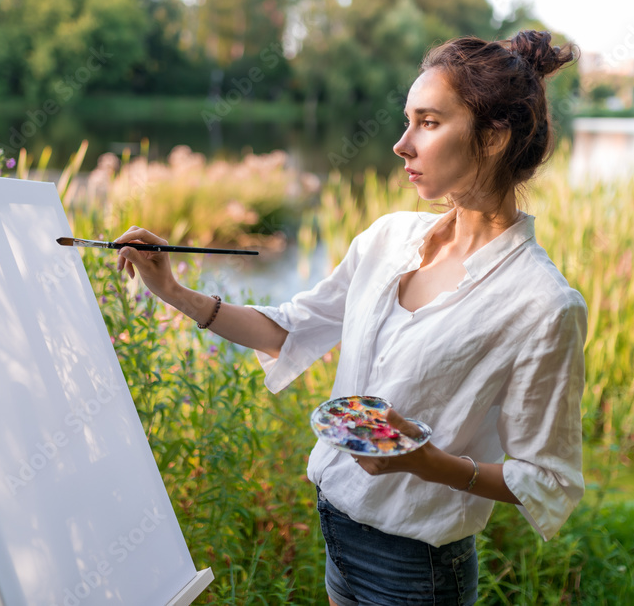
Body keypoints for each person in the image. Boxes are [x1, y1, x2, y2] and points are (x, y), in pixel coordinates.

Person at [114, 29, 588, 606]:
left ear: (493, 137)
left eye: (428, 123)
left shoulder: (542, 303)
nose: (401, 144)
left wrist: (430, 464)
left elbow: (550, 479)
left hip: (417, 572)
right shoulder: (388, 239)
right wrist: (175, 292)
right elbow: (288, 329)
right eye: (407, 120)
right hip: (337, 532)